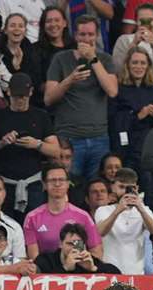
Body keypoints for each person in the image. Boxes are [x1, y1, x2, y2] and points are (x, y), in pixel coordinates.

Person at [44, 15, 118, 179]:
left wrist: (93, 59)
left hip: (99, 137)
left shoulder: (105, 59)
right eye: (82, 34)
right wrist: (70, 80)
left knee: (97, 188)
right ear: (75, 35)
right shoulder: (61, 59)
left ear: (97, 35)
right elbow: (48, 98)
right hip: (68, 139)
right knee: (69, 187)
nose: (87, 39)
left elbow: (112, 91)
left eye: (91, 34)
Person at [0, 72, 60, 221]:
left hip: (32, 184)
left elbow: (55, 150)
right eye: (16, 96)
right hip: (4, 183)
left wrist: (37, 144)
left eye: (23, 96)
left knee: (34, 227)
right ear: (8, 92)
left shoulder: (41, 116)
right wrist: (2, 143)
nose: (20, 99)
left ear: (31, 93)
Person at [24, 163, 103, 259]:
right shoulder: (32, 218)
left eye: (61, 180)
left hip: (77, 271)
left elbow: (97, 253)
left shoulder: (83, 216)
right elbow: (34, 258)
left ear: (68, 184)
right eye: (52, 180)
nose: (57, 184)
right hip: (46, 271)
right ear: (44, 184)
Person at [109, 47, 153, 176]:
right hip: (125, 149)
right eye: (134, 62)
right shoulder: (118, 88)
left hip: (146, 150)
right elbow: (114, 119)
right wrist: (139, 115)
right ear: (127, 65)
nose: (138, 67)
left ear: (148, 66)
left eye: (142, 63)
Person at [94, 167, 153, 274]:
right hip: (111, 272)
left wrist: (140, 208)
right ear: (113, 187)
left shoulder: (145, 210)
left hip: (136, 272)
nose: (125, 192)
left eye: (130, 188)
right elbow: (101, 232)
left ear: (136, 188)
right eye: (121, 187)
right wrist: (117, 211)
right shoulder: (103, 210)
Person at [112, 3, 153, 96]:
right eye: (142, 20)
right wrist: (133, 44)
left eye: (150, 20)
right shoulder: (124, 40)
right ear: (136, 21)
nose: (146, 24)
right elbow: (117, 70)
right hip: (131, 98)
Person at [35, 222, 121, 274]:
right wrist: (65, 268)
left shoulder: (87, 260)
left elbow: (116, 273)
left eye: (77, 244)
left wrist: (93, 269)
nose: (73, 249)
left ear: (84, 245)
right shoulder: (46, 260)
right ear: (60, 244)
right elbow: (37, 281)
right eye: (69, 244)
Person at [0, 13, 42, 90]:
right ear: (5, 30)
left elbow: (33, 83)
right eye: (12, 25)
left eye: (21, 26)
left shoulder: (33, 53)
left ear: (25, 31)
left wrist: (17, 67)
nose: (17, 29)